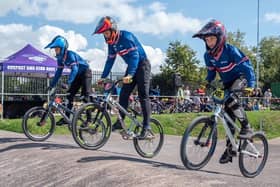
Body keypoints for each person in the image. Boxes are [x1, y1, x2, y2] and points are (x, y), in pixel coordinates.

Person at [193, 19, 256, 164]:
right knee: (227, 117)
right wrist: (205, 83)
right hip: (227, 83)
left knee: (231, 99)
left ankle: (247, 127)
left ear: (220, 38)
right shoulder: (207, 56)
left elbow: (247, 67)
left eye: (211, 39)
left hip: (241, 78)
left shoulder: (231, 50)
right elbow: (211, 74)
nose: (209, 42)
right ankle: (230, 150)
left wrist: (251, 85)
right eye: (206, 40)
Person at [93, 16, 151, 139]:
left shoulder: (126, 37)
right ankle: (121, 121)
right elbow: (110, 61)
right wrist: (103, 77)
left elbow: (135, 56)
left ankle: (147, 127)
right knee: (123, 94)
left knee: (143, 95)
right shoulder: (112, 44)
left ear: (114, 30)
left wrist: (130, 74)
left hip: (142, 65)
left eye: (107, 33)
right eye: (104, 34)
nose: (106, 36)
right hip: (131, 67)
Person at [45, 35, 92, 126]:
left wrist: (68, 83)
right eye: (55, 49)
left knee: (85, 96)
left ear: (62, 48)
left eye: (57, 49)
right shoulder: (60, 59)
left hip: (85, 73)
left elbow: (74, 69)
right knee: (69, 95)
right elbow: (58, 73)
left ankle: (89, 120)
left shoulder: (70, 55)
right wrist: (52, 85)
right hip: (77, 76)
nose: (55, 51)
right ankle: (66, 118)